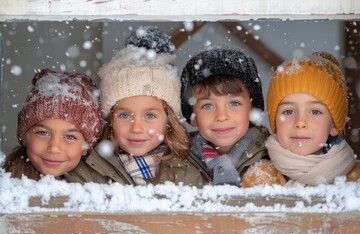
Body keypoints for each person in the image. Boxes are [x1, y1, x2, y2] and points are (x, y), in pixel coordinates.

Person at [65, 26, 211, 187]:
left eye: (150, 116)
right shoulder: (87, 173)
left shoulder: (188, 175)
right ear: (111, 120)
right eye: (125, 115)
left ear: (168, 121)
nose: (137, 128)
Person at [243, 52, 360, 187]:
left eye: (315, 111)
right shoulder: (260, 179)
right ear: (275, 122)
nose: (300, 122)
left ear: (333, 126)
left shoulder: (356, 179)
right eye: (289, 111)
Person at [180, 46, 279, 187]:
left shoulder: (275, 157)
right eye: (207, 106)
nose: (222, 116)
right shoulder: (177, 162)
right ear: (193, 116)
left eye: (234, 103)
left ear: (252, 110)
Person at [3, 69, 102, 180]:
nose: (54, 148)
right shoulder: (6, 184)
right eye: (43, 133)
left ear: (86, 147)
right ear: (24, 138)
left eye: (70, 137)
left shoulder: (100, 186)